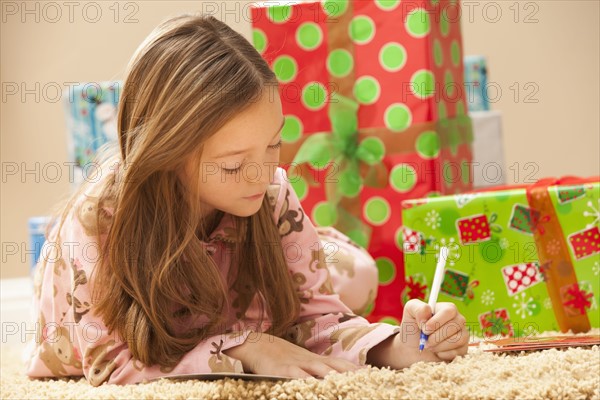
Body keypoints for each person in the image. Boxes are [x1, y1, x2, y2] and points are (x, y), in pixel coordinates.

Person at [23, 13, 468, 386]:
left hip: (239, 306)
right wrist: (245, 346)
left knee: (356, 275)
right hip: (138, 319)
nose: (262, 175)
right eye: (234, 165)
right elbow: (110, 366)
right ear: (167, 154)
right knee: (336, 282)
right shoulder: (99, 219)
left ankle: (330, 249)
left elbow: (318, 324)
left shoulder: (270, 192)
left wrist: (398, 346)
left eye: (273, 146)